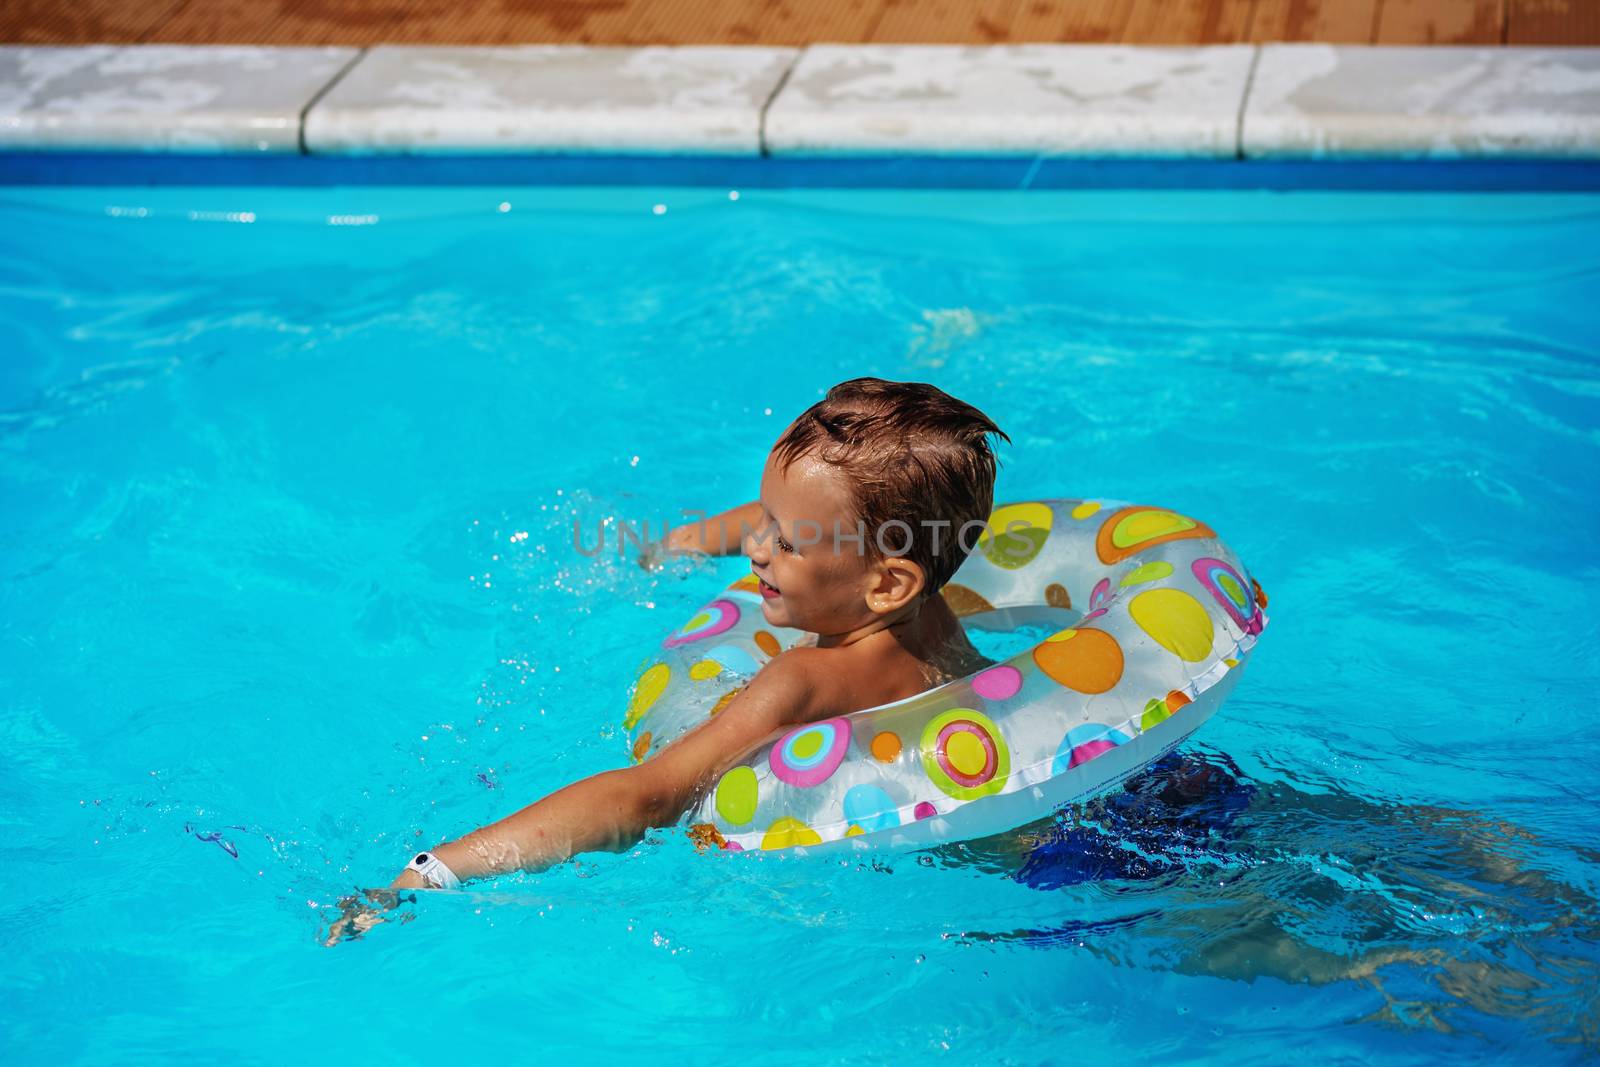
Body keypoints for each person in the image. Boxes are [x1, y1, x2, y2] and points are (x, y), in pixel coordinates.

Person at [327, 378, 1009, 942]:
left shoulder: (805, 679)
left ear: (887, 583)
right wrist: (685, 541)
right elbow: (811, 516)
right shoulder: (928, 610)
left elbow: (646, 797)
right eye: (762, 520)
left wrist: (434, 868)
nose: (757, 548)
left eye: (786, 542)